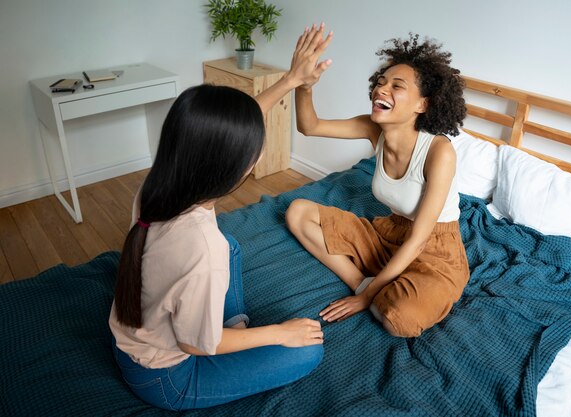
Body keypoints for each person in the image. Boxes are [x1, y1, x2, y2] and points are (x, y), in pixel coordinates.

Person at [109, 25, 333, 411]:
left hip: (132, 337)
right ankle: (232, 332)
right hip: (165, 376)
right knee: (307, 352)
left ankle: (229, 327)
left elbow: (234, 127)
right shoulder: (200, 247)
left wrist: (293, 80)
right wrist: (280, 332)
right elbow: (195, 345)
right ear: (231, 168)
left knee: (229, 246)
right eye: (254, 150)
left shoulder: (161, 183)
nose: (259, 151)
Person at [286, 31, 470, 338]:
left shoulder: (439, 151)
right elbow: (309, 126)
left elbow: (419, 239)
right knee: (297, 212)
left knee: (400, 319)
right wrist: (304, 86)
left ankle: (376, 288)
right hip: (391, 233)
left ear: (423, 104)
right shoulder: (375, 129)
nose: (382, 89)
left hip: (434, 250)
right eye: (381, 82)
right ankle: (362, 279)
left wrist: (364, 300)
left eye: (397, 86)